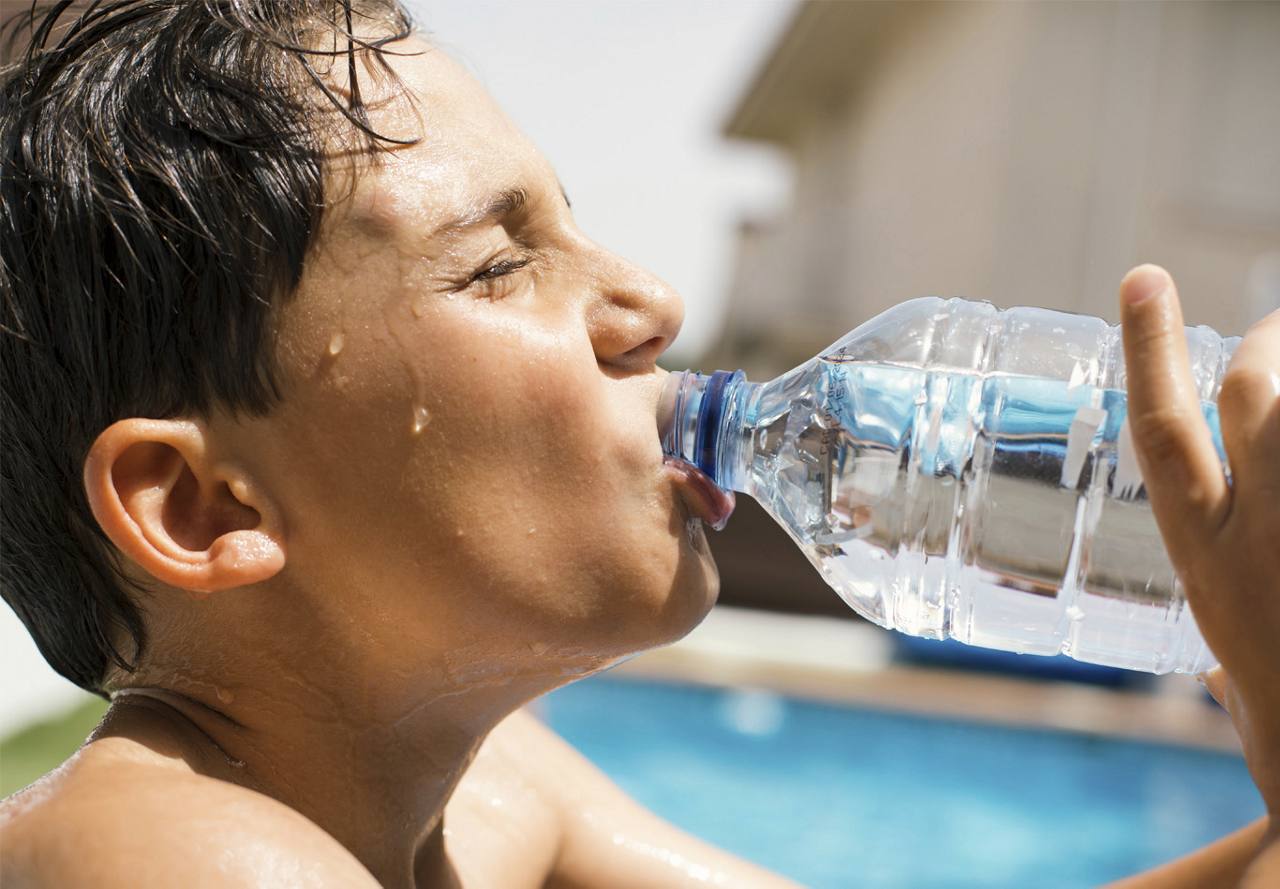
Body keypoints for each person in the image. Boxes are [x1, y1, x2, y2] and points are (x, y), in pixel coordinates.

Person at [0, 3, 1276, 887]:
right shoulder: (169, 856)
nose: (652, 302)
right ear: (205, 506)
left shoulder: (490, 793)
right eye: (500, 263)